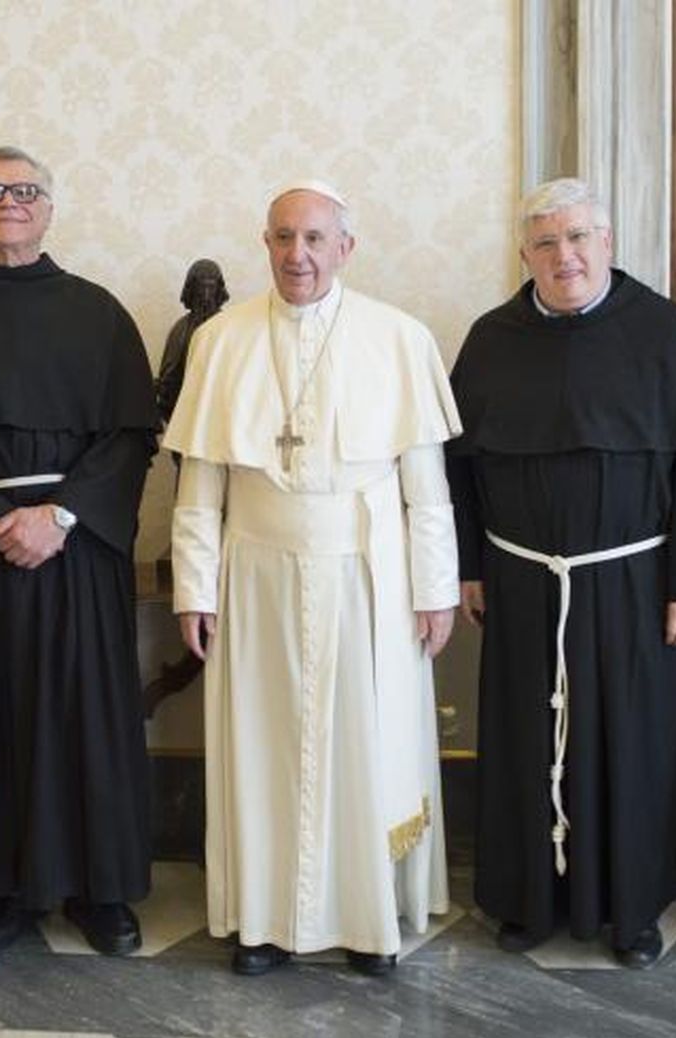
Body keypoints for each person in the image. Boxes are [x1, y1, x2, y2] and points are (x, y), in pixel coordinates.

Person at [447, 178, 676, 969]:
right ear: (525, 254)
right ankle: (528, 899)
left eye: (579, 237)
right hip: (520, 582)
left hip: (637, 586)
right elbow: (462, 468)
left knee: (635, 743)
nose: (565, 256)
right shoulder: (490, 340)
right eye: (546, 242)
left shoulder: (667, 334)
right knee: (523, 740)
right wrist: (470, 566)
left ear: (608, 243)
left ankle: (634, 905)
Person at [164, 181, 460, 977]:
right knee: (261, 744)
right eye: (284, 238)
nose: (299, 255)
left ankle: (367, 923)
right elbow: (201, 485)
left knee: (365, 745)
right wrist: (194, 587)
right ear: (266, 245)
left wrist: (435, 588)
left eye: (316, 239)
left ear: (345, 248)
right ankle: (263, 922)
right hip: (254, 570)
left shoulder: (398, 338)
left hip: (367, 574)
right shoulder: (221, 341)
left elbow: (426, 486)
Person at [0, 146, 159, 957]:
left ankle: (100, 889)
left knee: (89, 713)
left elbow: (130, 436)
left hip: (76, 549)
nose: (9, 203)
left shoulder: (99, 311)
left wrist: (63, 516)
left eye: (26, 191)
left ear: (49, 209)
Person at [155, 258, 229, 424]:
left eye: (210, 287)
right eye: (200, 288)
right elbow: (169, 379)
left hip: (221, 418)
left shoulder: (230, 330)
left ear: (218, 289)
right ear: (191, 290)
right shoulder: (180, 330)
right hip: (186, 418)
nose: (205, 295)